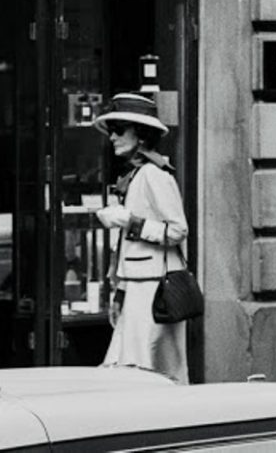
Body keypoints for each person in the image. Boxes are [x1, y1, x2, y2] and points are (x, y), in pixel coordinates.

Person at [94, 92, 189, 384]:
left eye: (119, 130)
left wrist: (129, 221)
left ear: (141, 135)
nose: (113, 137)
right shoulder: (137, 175)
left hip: (154, 289)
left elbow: (177, 230)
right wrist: (120, 290)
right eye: (112, 131)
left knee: (146, 371)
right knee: (135, 368)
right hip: (139, 287)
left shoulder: (154, 175)